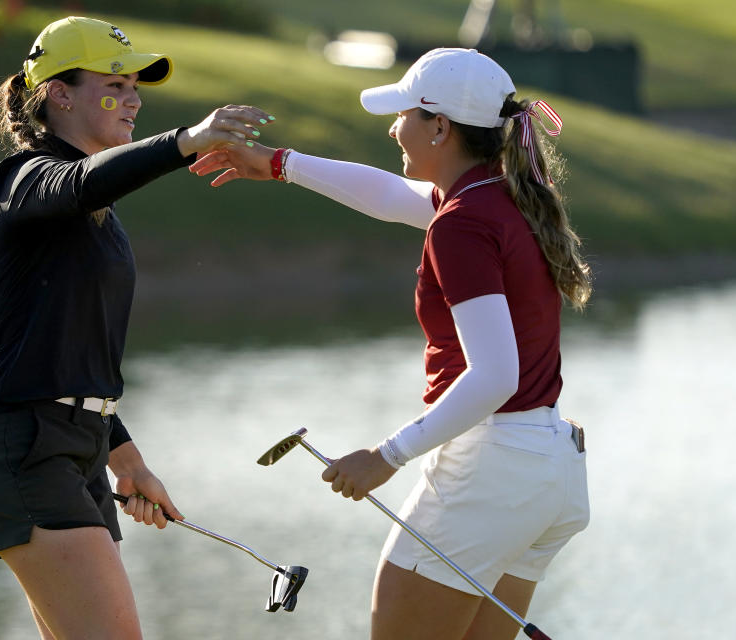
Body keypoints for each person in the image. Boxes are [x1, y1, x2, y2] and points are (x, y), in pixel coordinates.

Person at [191, 48, 591, 640]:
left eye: (404, 112)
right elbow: (389, 196)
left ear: (440, 126)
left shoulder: (462, 222)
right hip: (549, 469)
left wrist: (385, 458)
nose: (393, 126)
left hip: (491, 472)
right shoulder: (501, 196)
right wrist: (278, 163)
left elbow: (494, 376)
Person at [0, 16, 271, 640]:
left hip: (77, 449)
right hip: (21, 449)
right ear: (59, 94)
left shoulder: (96, 212)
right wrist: (187, 140)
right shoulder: (25, 178)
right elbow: (81, 180)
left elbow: (74, 360)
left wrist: (128, 463)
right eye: (114, 84)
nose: (133, 99)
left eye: (135, 87)